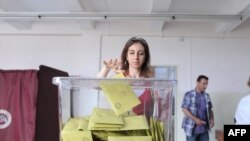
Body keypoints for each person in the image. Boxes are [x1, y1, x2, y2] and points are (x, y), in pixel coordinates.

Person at [97, 37, 154, 119]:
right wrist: (106, 68)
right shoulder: (119, 78)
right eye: (132, 53)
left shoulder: (149, 82)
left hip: (143, 128)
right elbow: (96, 86)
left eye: (141, 53)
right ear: (126, 56)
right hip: (122, 128)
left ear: (145, 57)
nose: (136, 57)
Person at [181, 75, 214, 141]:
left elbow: (210, 109)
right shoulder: (189, 94)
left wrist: (212, 118)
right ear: (197, 83)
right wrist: (195, 119)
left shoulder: (207, 96)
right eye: (203, 84)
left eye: (207, 84)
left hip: (204, 130)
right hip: (192, 129)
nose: (205, 86)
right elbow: (184, 109)